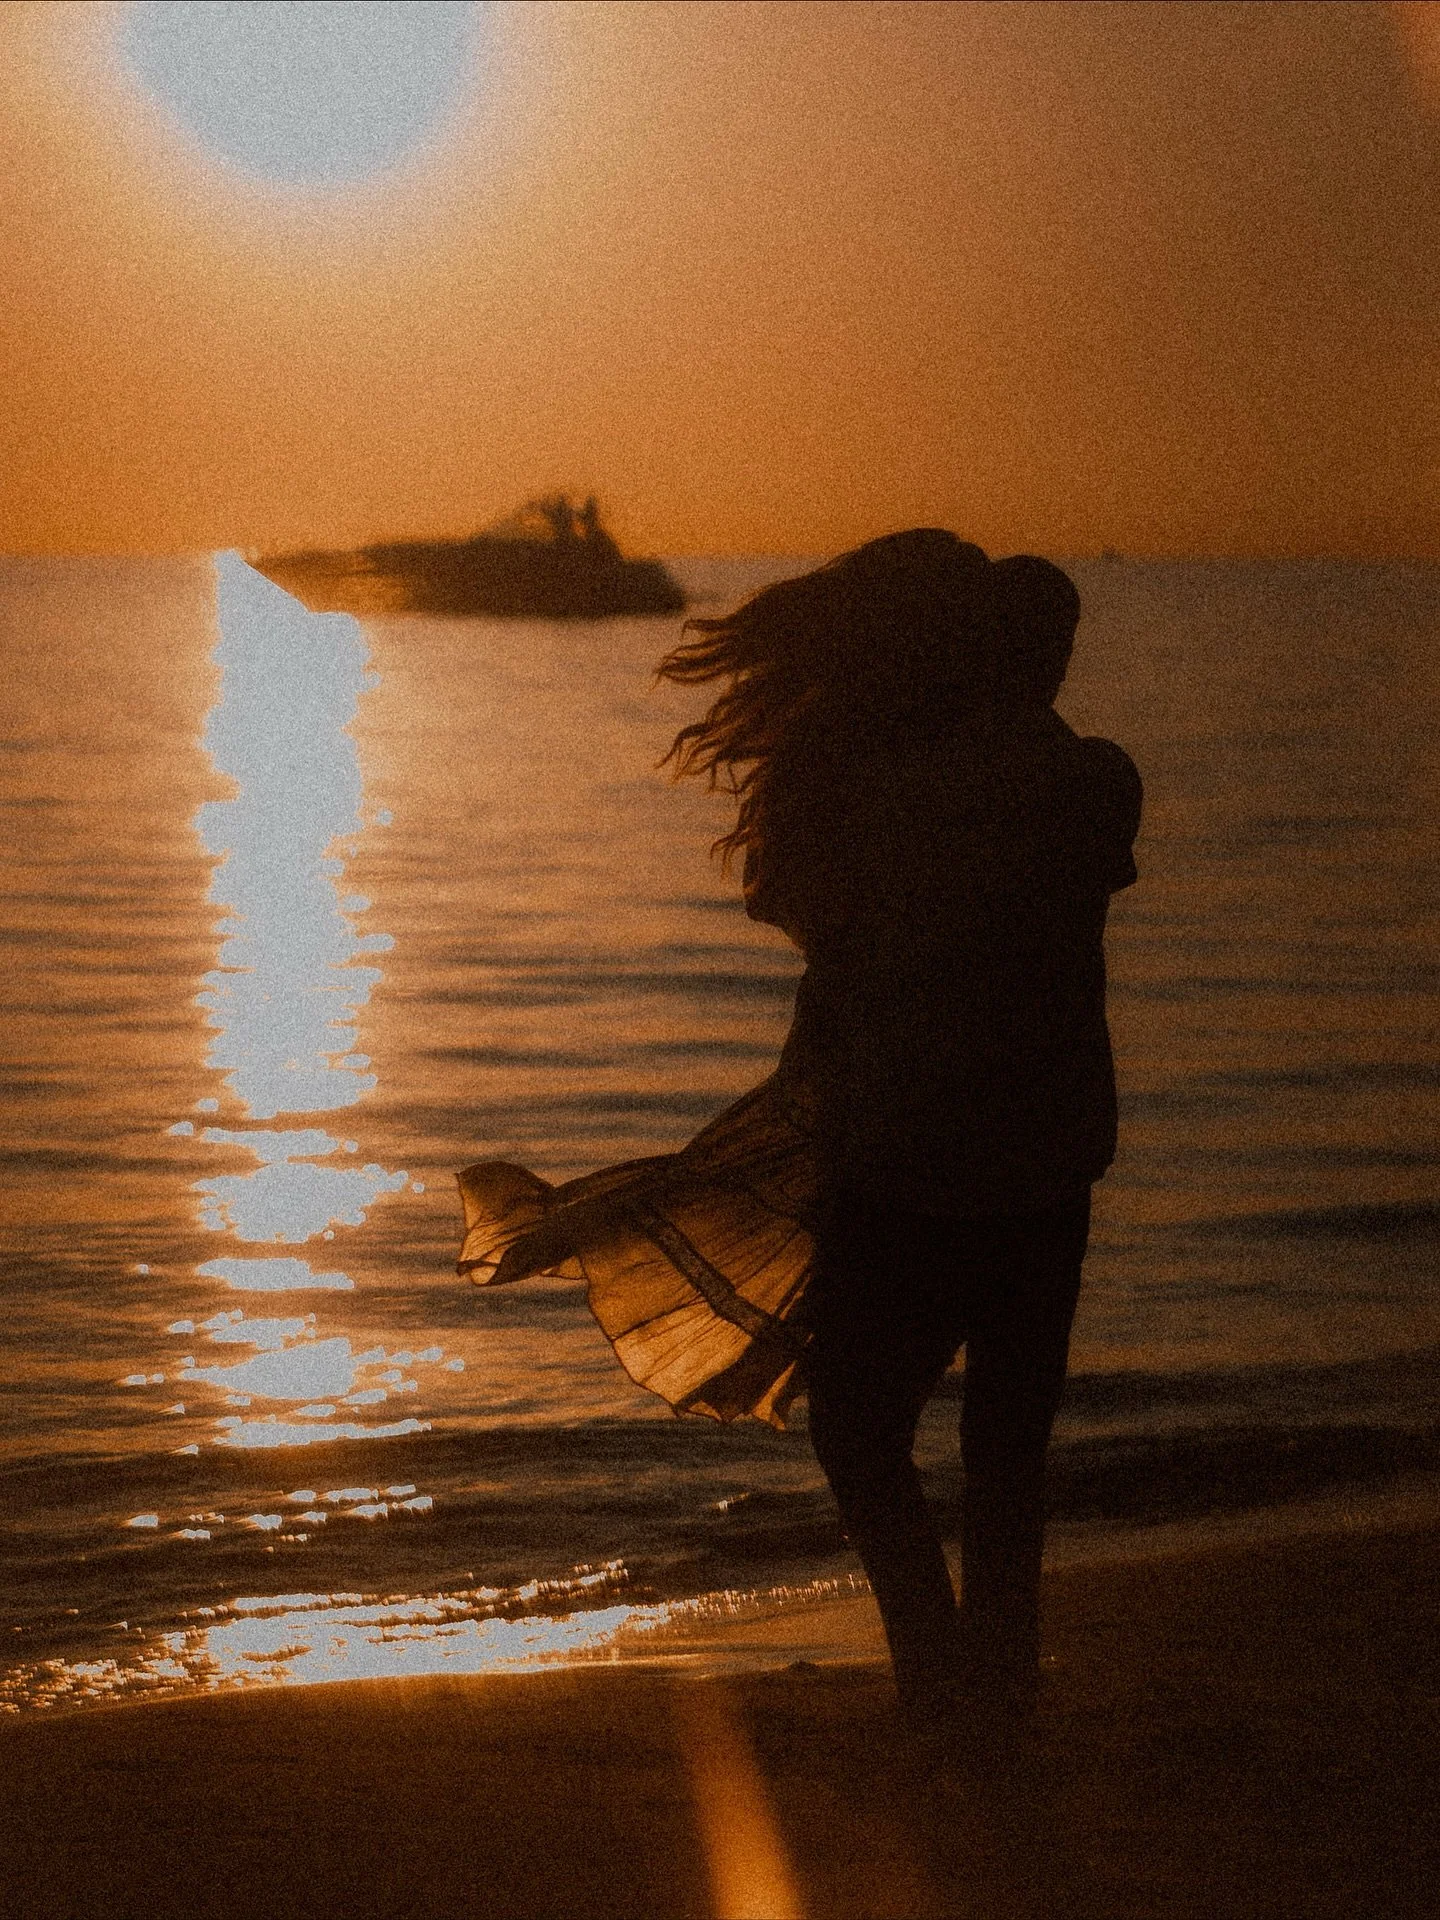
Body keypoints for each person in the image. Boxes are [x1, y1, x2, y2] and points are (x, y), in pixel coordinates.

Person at [456, 529, 1141, 1746]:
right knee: (1005, 1448)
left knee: (862, 1432)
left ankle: (942, 1679)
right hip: (1045, 1154)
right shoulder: (1092, 779)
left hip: (914, 1160)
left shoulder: (887, 787)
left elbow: (818, 930)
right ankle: (992, 1688)